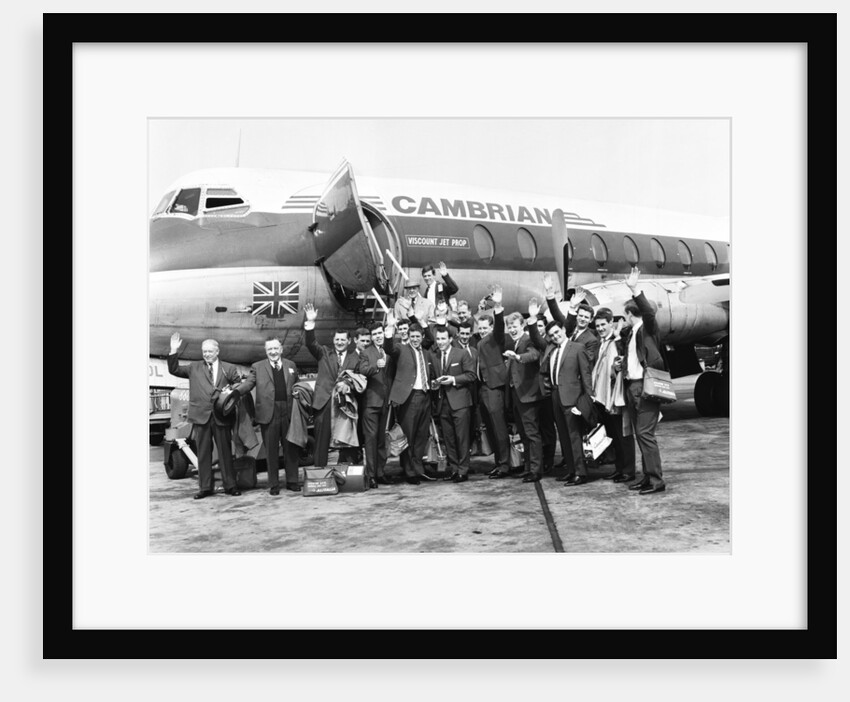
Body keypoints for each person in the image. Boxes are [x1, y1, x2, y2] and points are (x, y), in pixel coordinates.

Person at [167, 334, 244, 499]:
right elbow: (174, 369)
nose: (207, 354)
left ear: (217, 351)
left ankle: (230, 485)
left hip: (221, 417)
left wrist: (229, 390)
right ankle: (205, 487)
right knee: (203, 453)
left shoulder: (228, 368)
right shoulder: (194, 367)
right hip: (201, 417)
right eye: (204, 351)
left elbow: (238, 386)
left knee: (225, 453)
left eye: (210, 351)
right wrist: (174, 350)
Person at [616, 267, 667, 495]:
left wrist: (635, 290)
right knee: (640, 434)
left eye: (624, 315)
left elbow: (649, 313)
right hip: (632, 386)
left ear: (629, 314)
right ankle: (647, 477)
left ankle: (656, 480)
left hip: (645, 387)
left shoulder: (647, 329)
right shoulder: (630, 334)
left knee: (645, 434)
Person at [303, 303, 364, 466]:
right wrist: (310, 323)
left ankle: (347, 474)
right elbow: (310, 343)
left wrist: (348, 385)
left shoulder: (355, 359)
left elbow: (358, 379)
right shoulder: (324, 353)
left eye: (343, 340)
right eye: (337, 339)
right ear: (333, 340)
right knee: (321, 442)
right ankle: (320, 475)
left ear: (349, 341)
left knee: (346, 440)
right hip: (323, 403)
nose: (339, 342)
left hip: (344, 405)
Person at [238, 337, 300, 495]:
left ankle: (292, 481)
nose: (273, 352)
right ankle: (274, 484)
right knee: (271, 451)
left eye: (275, 349)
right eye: (269, 349)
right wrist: (235, 391)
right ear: (266, 351)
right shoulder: (257, 367)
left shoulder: (291, 365)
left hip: (288, 412)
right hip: (268, 414)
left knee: (290, 448)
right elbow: (249, 384)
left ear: (281, 349)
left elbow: (298, 384)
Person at [545, 318, 595, 486]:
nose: (555, 336)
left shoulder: (577, 348)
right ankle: (571, 470)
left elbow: (585, 374)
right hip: (556, 396)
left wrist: (589, 398)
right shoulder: (552, 350)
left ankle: (581, 472)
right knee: (564, 437)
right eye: (551, 335)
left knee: (574, 436)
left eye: (557, 332)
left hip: (572, 398)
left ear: (563, 330)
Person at [589, 308, 636, 484]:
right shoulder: (603, 343)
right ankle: (619, 468)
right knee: (614, 436)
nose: (600, 328)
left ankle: (629, 471)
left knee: (623, 435)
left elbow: (620, 364)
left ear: (611, 324)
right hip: (603, 398)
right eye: (598, 325)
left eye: (603, 325)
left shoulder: (616, 342)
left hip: (615, 398)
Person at [386, 321, 434, 485]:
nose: (415, 339)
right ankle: (409, 471)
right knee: (409, 435)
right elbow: (389, 349)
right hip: (409, 397)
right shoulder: (401, 349)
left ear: (422, 337)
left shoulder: (426, 353)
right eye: (412, 336)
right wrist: (390, 330)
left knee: (421, 435)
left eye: (417, 336)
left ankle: (418, 468)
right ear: (408, 336)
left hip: (425, 396)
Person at [428, 326, 477, 482]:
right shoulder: (433, 356)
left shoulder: (462, 354)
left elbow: (471, 375)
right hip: (442, 403)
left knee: (462, 438)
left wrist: (454, 380)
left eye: (443, 339)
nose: (440, 342)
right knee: (449, 439)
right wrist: (435, 384)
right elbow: (433, 377)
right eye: (438, 339)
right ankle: (454, 469)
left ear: (450, 339)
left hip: (460, 403)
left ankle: (463, 470)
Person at [475, 285, 513, 479]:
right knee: (490, 429)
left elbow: (499, 326)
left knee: (498, 429)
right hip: (483, 389)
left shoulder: (495, 338)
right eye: (479, 328)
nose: (481, 331)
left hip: (494, 388)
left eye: (484, 328)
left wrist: (497, 306)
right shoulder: (479, 341)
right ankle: (499, 463)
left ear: (490, 328)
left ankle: (505, 465)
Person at [502, 311, 544, 482]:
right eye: (509, 327)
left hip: (528, 395)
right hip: (517, 396)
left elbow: (533, 355)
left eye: (514, 326)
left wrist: (518, 357)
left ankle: (536, 469)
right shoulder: (515, 342)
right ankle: (528, 467)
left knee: (532, 434)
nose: (512, 329)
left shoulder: (527, 340)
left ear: (522, 326)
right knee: (525, 434)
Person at [359, 320, 395, 487]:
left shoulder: (389, 350)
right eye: (375, 335)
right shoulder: (366, 353)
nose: (378, 337)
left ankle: (381, 472)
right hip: (371, 404)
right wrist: (376, 366)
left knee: (381, 440)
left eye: (380, 333)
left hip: (385, 403)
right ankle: (371, 475)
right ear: (371, 338)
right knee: (371, 440)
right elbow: (363, 370)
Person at [544, 273, 600, 366]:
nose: (582, 319)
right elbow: (555, 313)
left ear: (591, 320)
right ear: (576, 316)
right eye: (581, 316)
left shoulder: (592, 339)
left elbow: (586, 361)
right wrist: (550, 293)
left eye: (586, 317)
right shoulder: (569, 326)